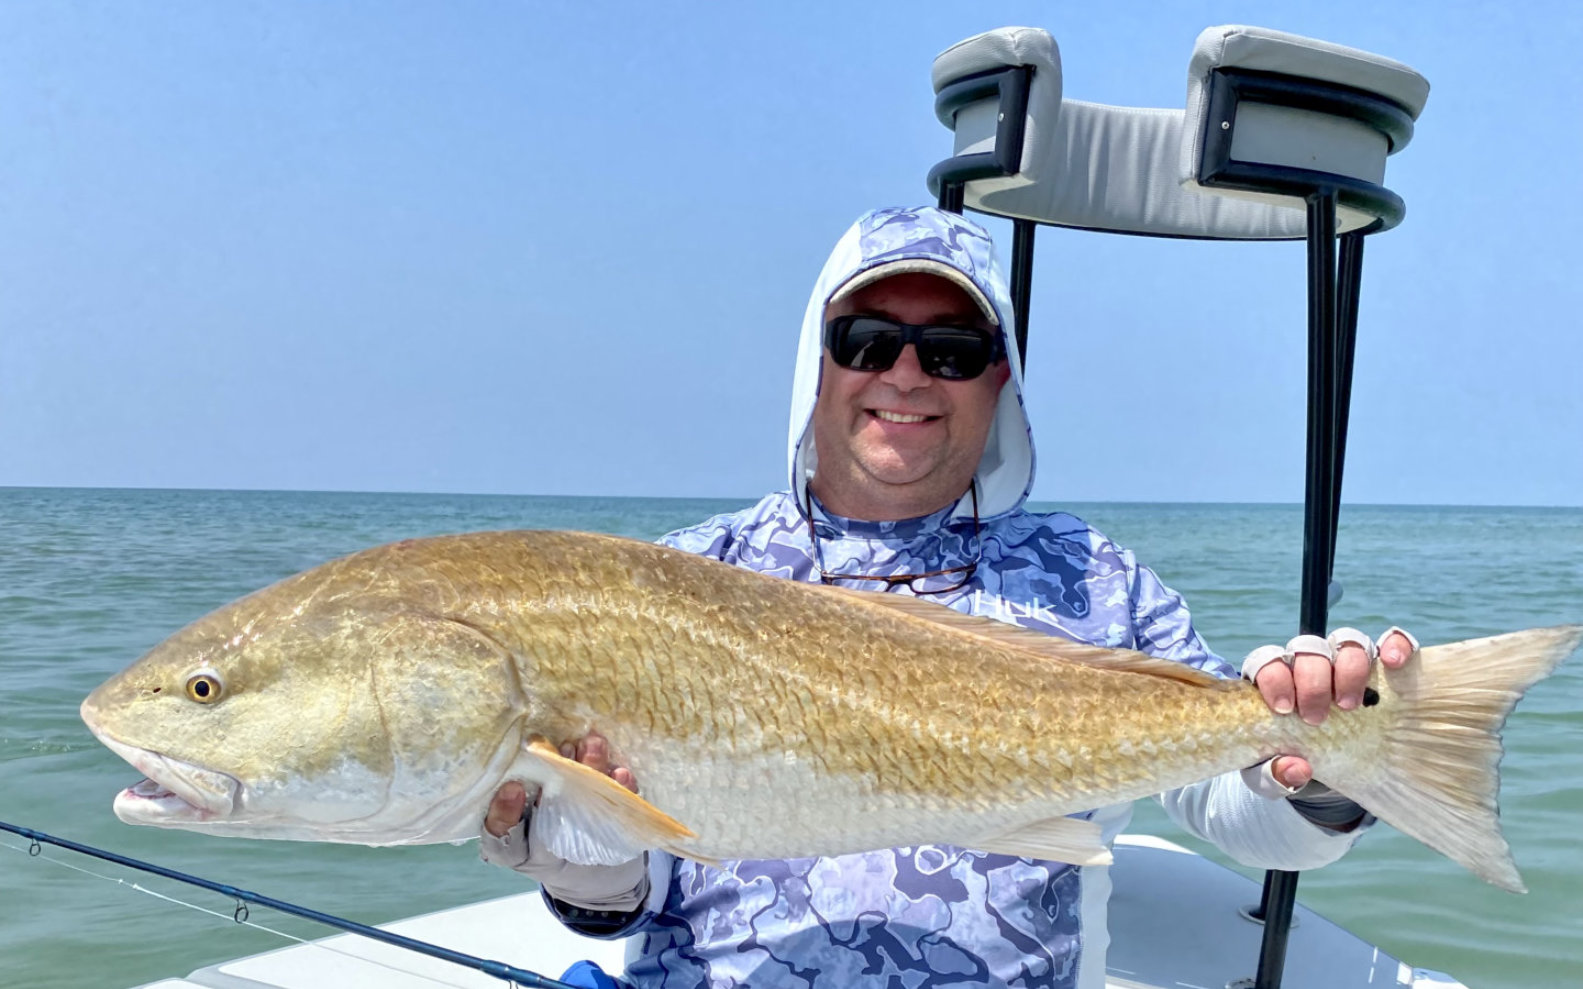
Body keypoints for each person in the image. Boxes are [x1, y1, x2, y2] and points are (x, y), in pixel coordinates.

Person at [479, 206, 1417, 989]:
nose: (904, 373)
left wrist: (1323, 768)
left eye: (952, 350)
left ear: (999, 375)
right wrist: (583, 859)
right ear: (819, 359)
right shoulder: (680, 579)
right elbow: (615, 898)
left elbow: (1233, 802)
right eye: (868, 339)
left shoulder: (1091, 574)